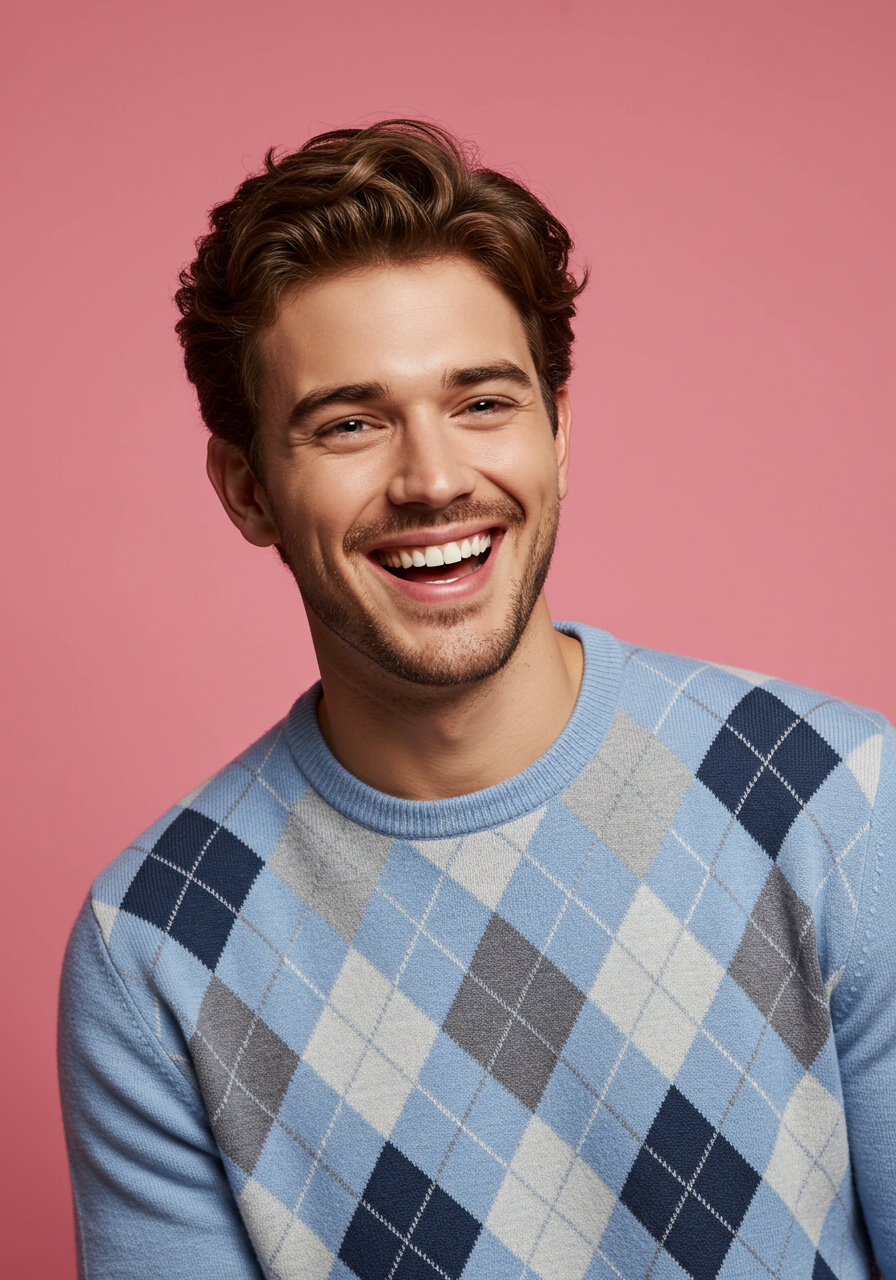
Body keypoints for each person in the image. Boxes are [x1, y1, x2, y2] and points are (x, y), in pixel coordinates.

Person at [58, 120, 894, 1280]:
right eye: (349, 421)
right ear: (247, 487)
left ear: (559, 429)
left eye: (483, 402)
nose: (433, 477)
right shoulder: (154, 942)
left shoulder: (833, 802)